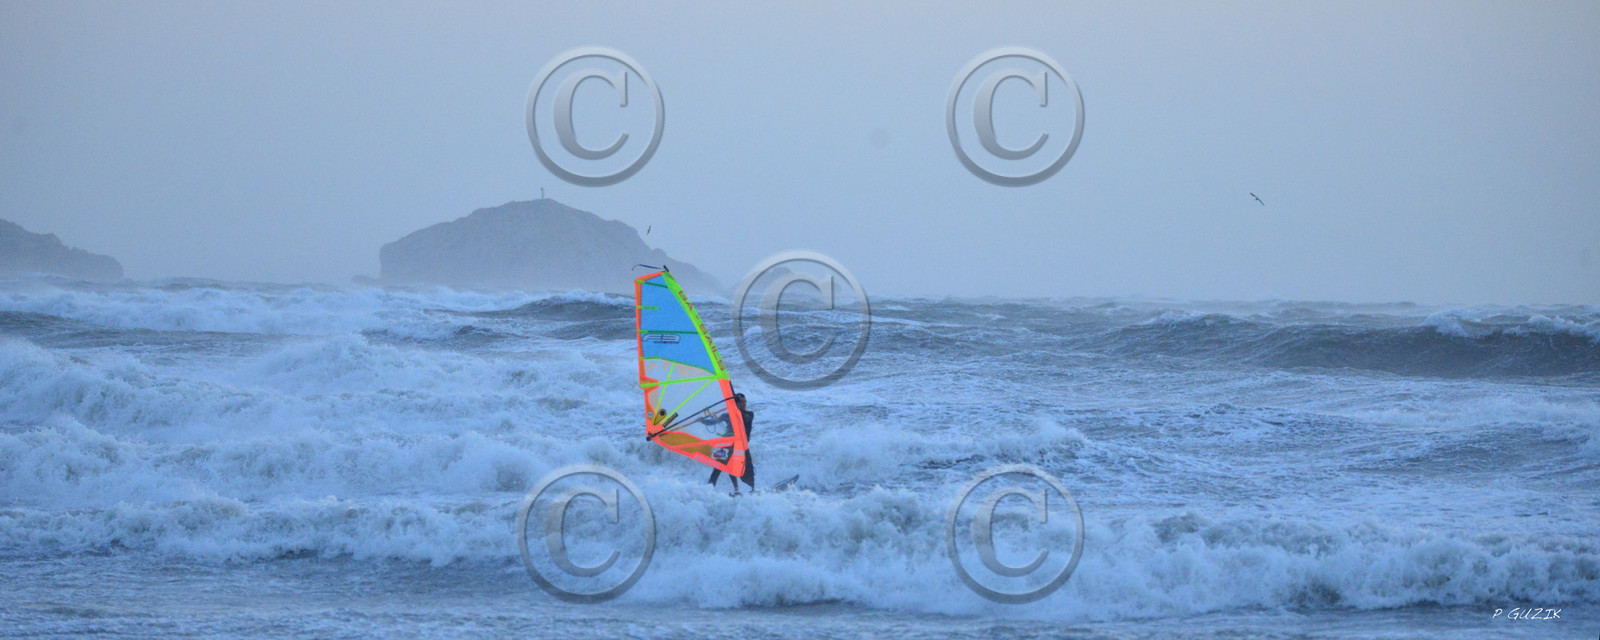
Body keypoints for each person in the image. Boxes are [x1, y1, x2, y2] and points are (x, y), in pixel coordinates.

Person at [706, 393, 755, 493]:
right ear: (737, 403)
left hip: (740, 445)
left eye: (745, 402)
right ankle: (708, 490)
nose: (744, 404)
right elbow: (713, 422)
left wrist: (734, 404)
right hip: (727, 443)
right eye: (742, 402)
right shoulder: (727, 415)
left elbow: (741, 417)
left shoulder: (748, 415)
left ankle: (751, 489)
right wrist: (701, 420)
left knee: (746, 468)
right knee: (719, 467)